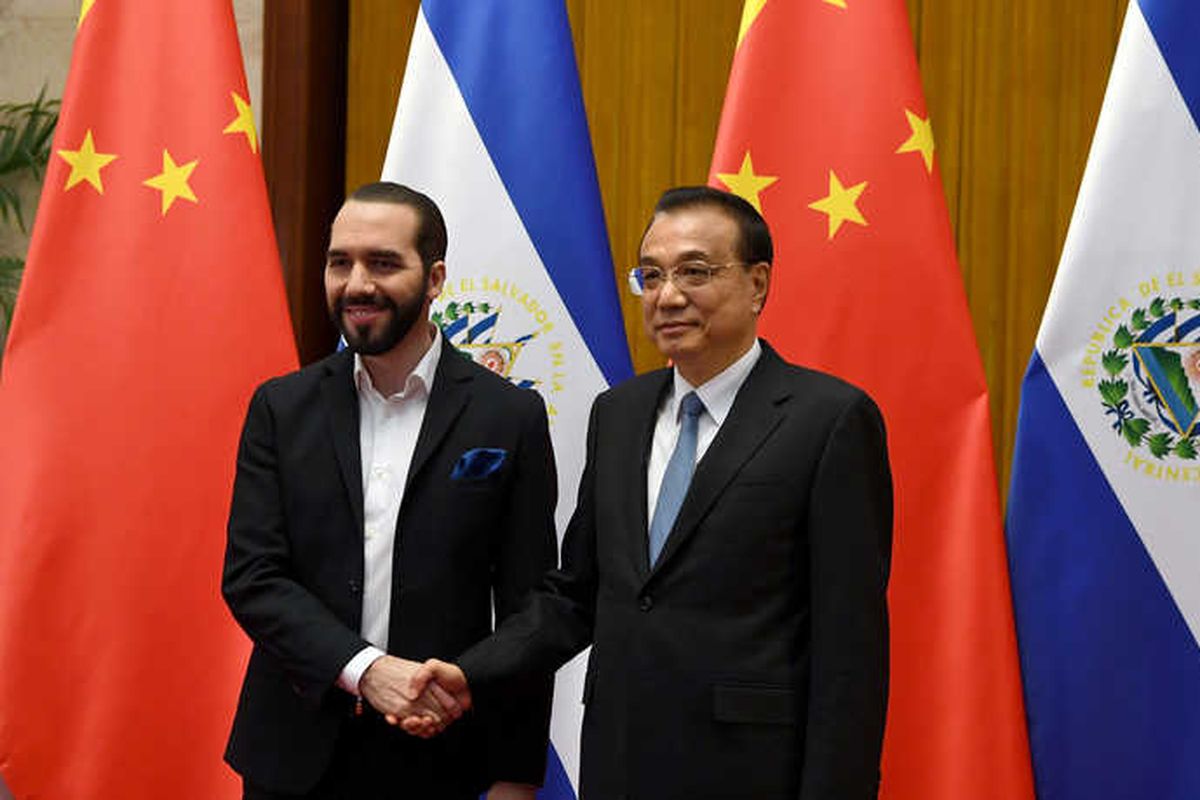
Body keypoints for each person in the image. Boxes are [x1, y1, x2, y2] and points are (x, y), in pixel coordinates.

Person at [411, 186, 893, 799]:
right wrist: (467, 672)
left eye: (695, 272)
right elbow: (576, 596)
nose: (667, 296)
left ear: (758, 284)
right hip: (622, 758)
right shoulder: (618, 414)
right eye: (651, 275)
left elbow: (849, 646)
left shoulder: (829, 419)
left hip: (753, 771)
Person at [221, 182, 557, 799]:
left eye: (382, 262)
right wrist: (366, 671)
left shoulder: (508, 417)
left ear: (434, 279)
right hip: (292, 755)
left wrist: (516, 774)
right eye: (339, 262)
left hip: (440, 758)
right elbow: (253, 577)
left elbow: (528, 609)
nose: (356, 284)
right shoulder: (281, 407)